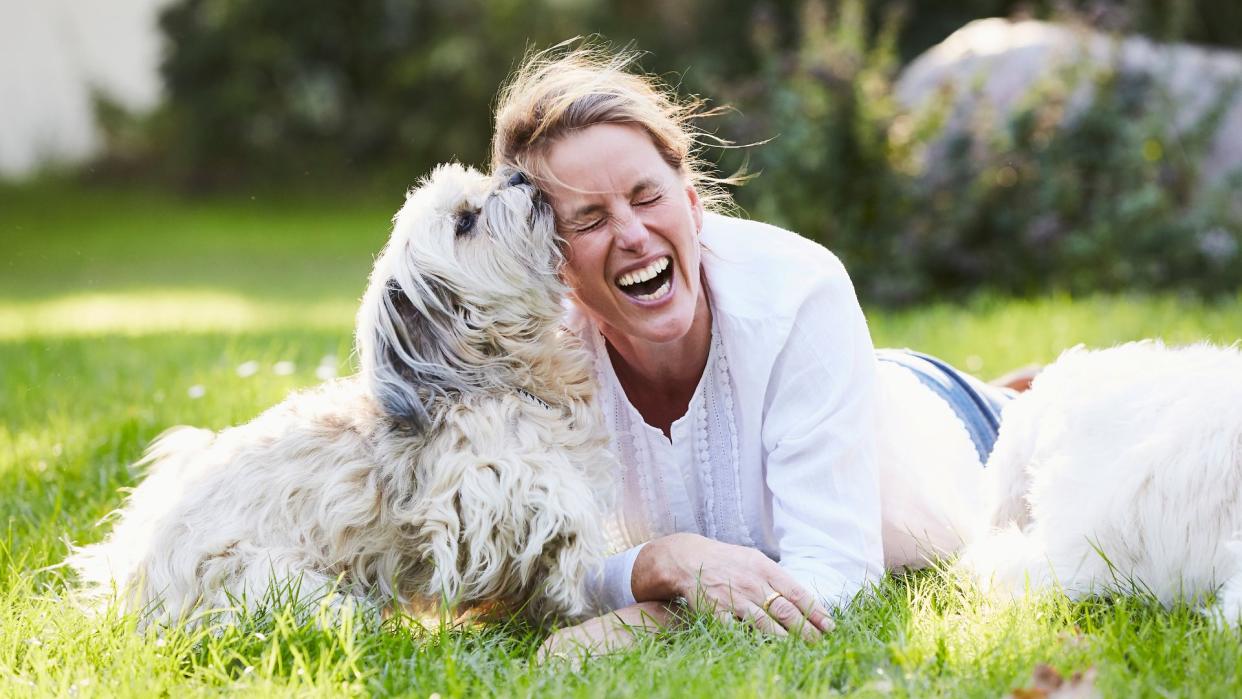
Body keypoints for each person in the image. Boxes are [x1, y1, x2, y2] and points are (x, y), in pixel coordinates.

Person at [489, 45, 1018, 658]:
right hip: (857, 390)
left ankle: (1014, 387)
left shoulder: (798, 292)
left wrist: (658, 619)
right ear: (550, 260)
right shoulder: (537, 356)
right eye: (589, 220)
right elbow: (519, 579)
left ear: (691, 202)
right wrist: (660, 563)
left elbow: (836, 583)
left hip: (962, 434)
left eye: (647, 196)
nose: (633, 235)